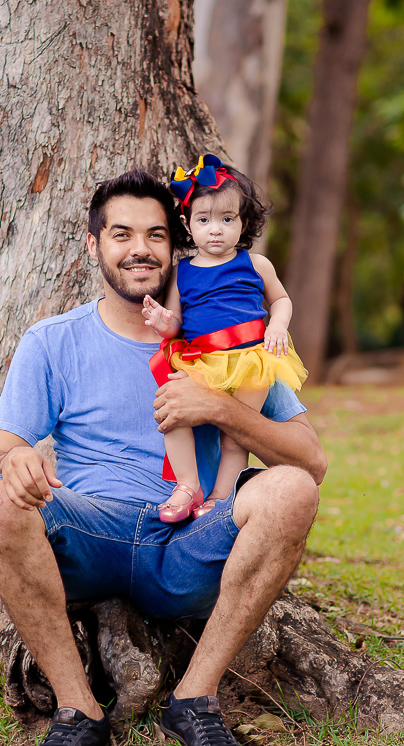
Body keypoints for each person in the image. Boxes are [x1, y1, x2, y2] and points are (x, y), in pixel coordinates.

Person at [0, 168, 325, 746]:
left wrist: (218, 407)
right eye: (121, 233)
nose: (140, 248)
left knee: (293, 490)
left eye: (156, 234)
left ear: (177, 242)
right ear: (93, 244)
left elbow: (311, 459)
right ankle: (77, 712)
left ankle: (194, 700)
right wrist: (16, 461)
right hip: (94, 531)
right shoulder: (52, 342)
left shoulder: (224, 332)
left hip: (190, 542)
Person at [142, 154, 307, 523]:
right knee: (173, 414)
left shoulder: (256, 264)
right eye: (204, 220)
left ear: (243, 222)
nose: (215, 230)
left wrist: (278, 326)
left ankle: (221, 496)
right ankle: (187, 485)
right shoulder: (182, 272)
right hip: (201, 359)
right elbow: (175, 324)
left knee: (236, 437)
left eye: (226, 219)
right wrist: (162, 321)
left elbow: (280, 299)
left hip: (251, 360)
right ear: (188, 224)